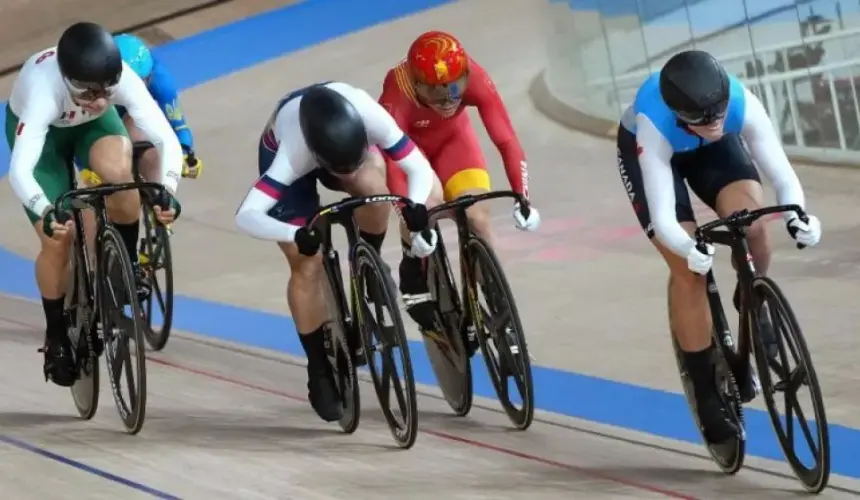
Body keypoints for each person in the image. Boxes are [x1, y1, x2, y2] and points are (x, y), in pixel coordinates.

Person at [615, 49, 822, 444]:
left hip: (710, 152)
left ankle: (752, 298)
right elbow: (664, 218)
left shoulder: (737, 104)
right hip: (659, 159)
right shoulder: (653, 124)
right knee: (688, 269)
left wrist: (800, 215)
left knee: (755, 222)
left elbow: (783, 176)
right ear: (680, 115)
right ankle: (704, 389)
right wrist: (687, 246)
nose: (715, 122)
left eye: (719, 112)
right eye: (702, 118)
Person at [234, 82, 440, 423]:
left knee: (374, 188)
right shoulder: (292, 157)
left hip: (342, 141)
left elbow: (418, 168)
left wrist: (416, 209)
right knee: (305, 265)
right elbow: (247, 216)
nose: (348, 174)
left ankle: (367, 261)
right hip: (289, 149)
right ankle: (319, 369)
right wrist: (295, 233)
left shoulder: (370, 115)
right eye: (341, 170)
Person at [5, 22, 184, 387]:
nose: (101, 100)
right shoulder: (43, 90)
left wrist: (167, 189)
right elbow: (20, 171)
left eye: (107, 89)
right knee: (58, 238)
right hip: (45, 142)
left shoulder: (119, 81)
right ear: (68, 79)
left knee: (122, 175)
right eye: (88, 92)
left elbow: (164, 138)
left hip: (90, 128)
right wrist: (44, 208)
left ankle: (128, 265)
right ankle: (56, 333)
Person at [379, 30, 541, 351]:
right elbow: (394, 164)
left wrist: (522, 196)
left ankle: (498, 310)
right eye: (435, 93)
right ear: (415, 84)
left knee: (477, 216)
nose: (448, 99)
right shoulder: (396, 90)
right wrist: (412, 220)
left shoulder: (476, 77)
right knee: (429, 202)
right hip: (410, 153)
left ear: (465, 75)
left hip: (455, 143)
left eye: (455, 88)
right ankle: (413, 268)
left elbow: (506, 140)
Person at [110, 33, 203, 180]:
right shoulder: (102, 88)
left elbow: (179, 126)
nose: (136, 88)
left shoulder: (162, 83)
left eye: (143, 81)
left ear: (150, 75)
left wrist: (185, 153)